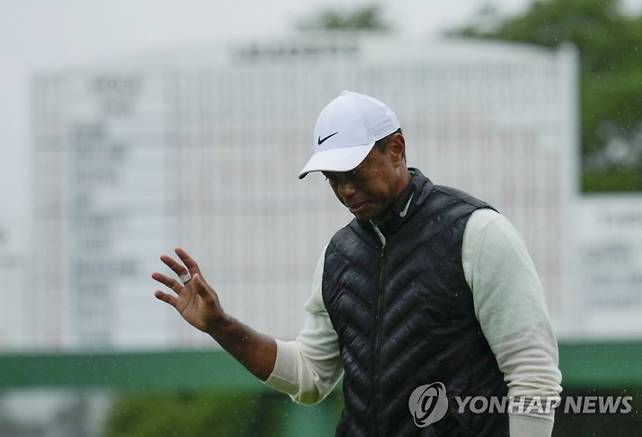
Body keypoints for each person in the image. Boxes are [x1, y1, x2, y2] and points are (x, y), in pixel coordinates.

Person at [152, 91, 562, 436]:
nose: (345, 188)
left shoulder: (479, 233)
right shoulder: (339, 255)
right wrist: (222, 326)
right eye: (332, 176)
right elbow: (310, 378)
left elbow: (533, 377)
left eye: (356, 169)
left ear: (396, 148)